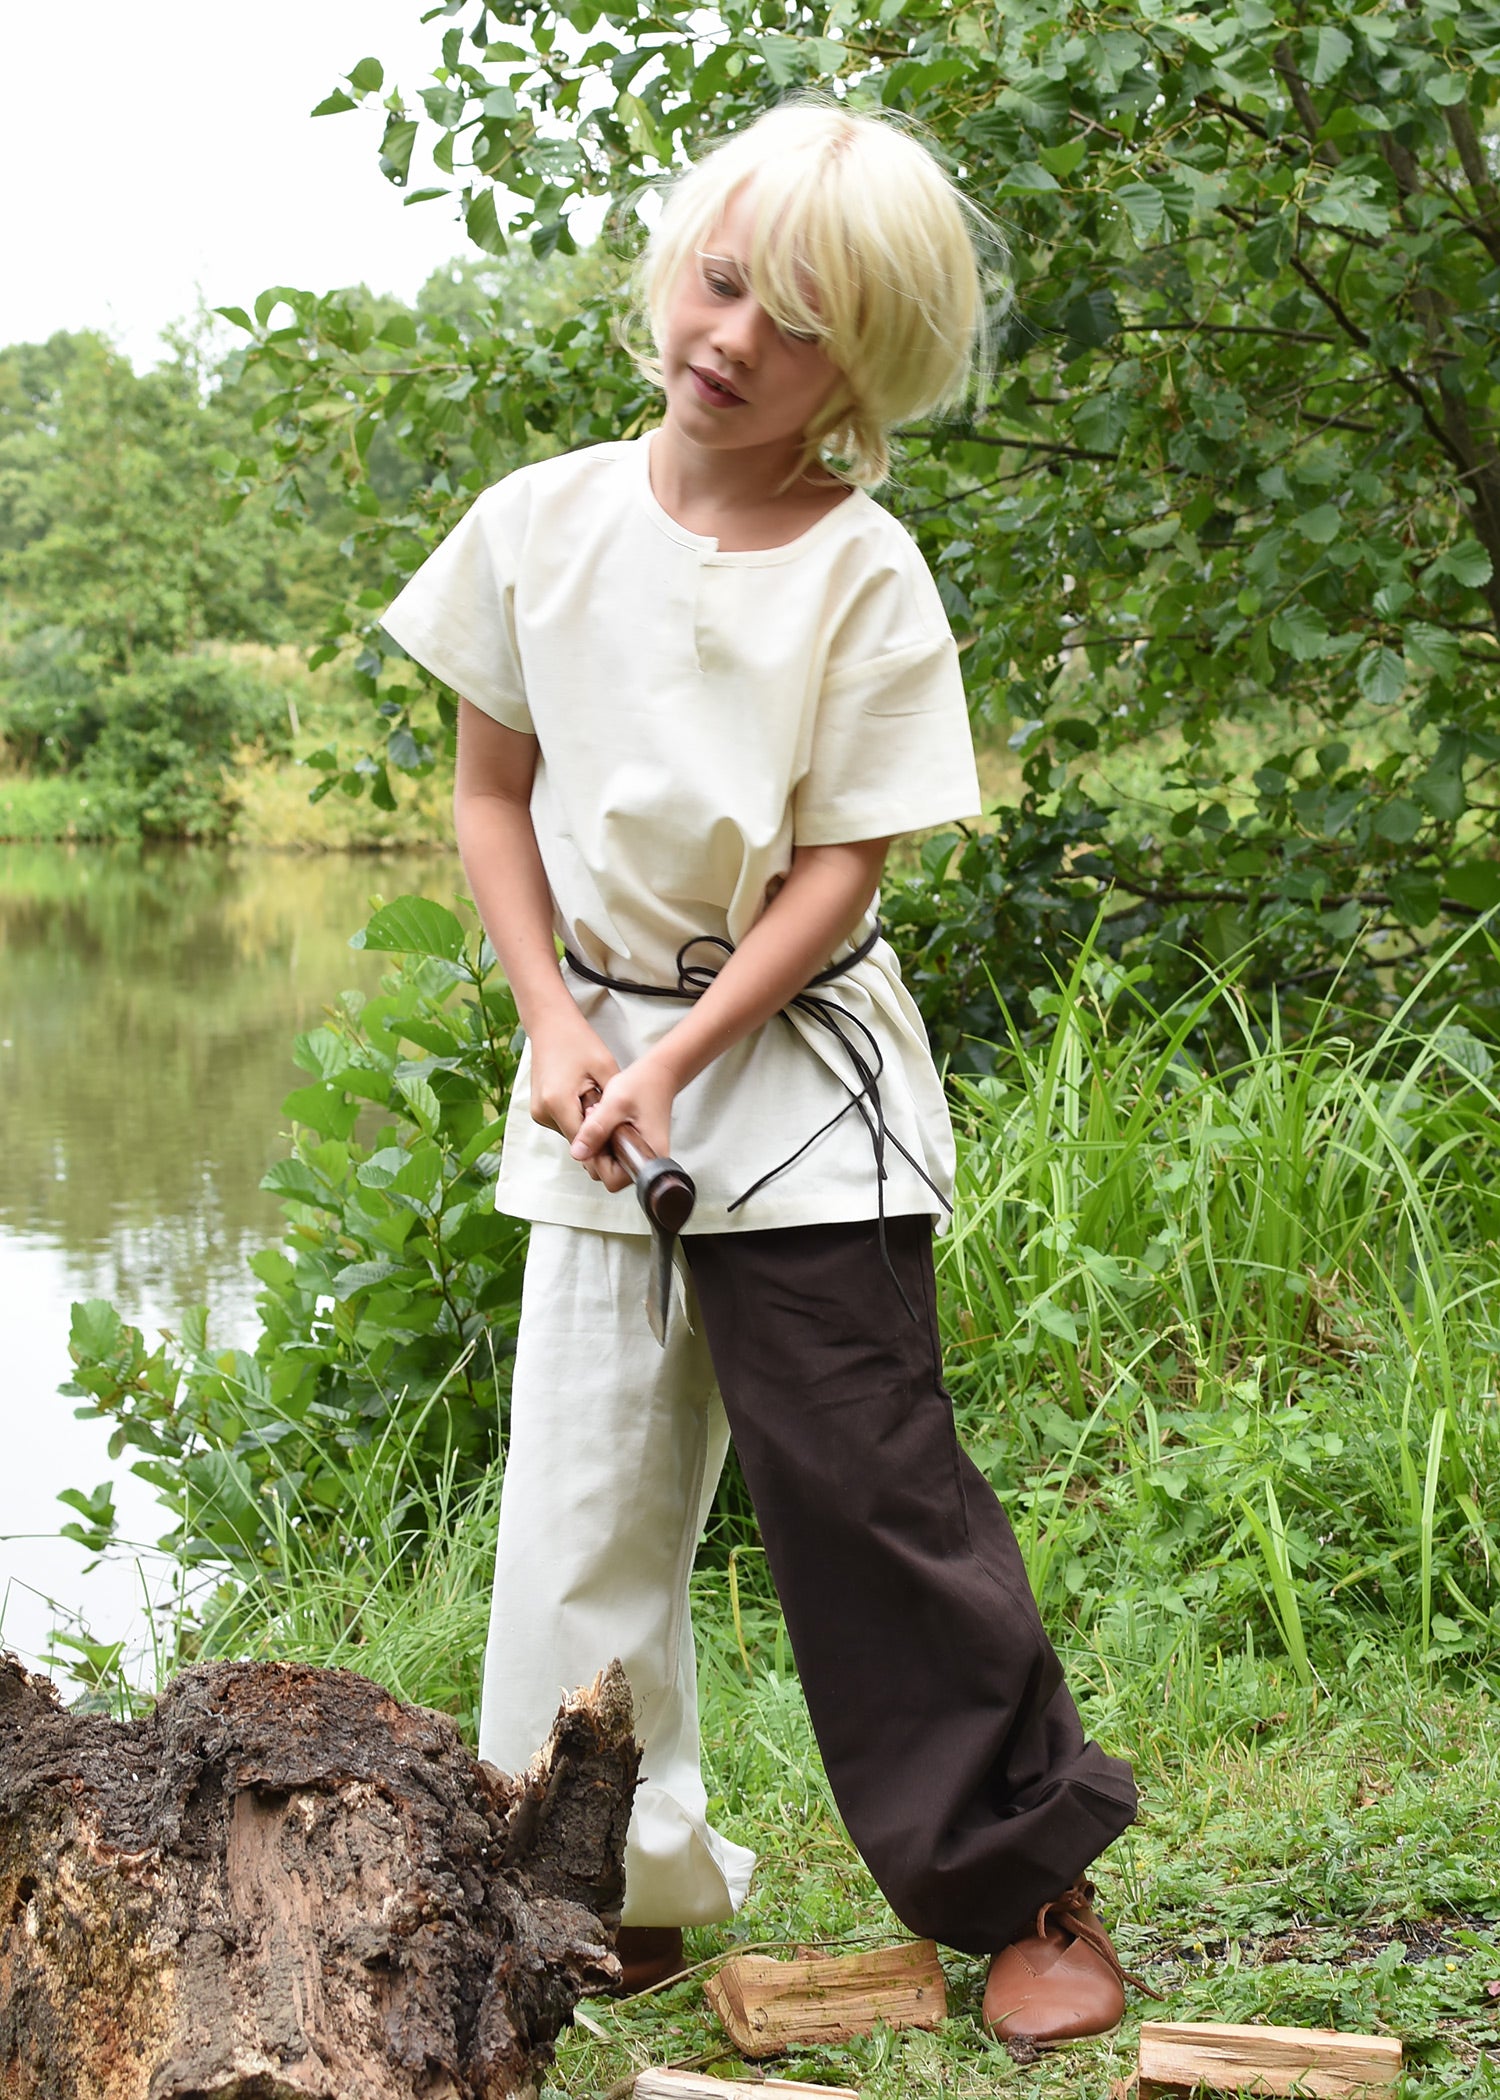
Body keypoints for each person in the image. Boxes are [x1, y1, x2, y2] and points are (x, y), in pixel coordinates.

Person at [381, 99, 1144, 2046]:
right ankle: (609, 1892)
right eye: (723, 284)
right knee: (578, 1511)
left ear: (863, 368)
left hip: (796, 1082)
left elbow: (842, 871)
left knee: (869, 1494)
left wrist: (682, 1051)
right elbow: (489, 796)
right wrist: (560, 1029)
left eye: (796, 322)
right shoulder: (539, 522)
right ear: (674, 272)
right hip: (587, 1077)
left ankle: (1020, 1879)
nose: (733, 339)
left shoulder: (864, 571)